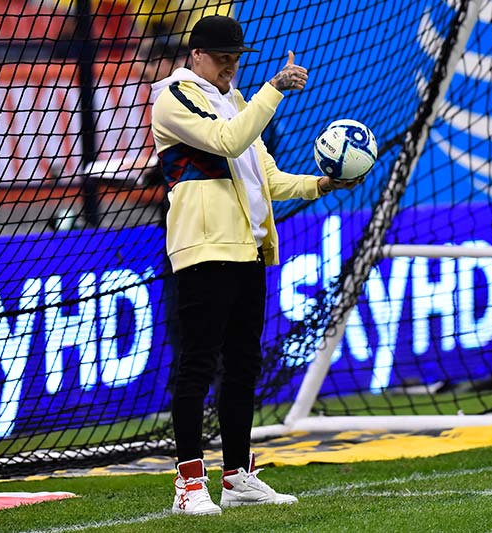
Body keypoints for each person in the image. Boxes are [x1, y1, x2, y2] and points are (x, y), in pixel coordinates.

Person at [150, 15, 355, 516]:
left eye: (236, 58)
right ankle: (188, 484)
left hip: (247, 249)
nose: (231, 67)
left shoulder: (237, 102)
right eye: (223, 58)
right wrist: (274, 89)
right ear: (196, 55)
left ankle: (238, 475)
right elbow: (227, 142)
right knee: (197, 365)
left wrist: (320, 185)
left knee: (242, 366)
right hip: (203, 248)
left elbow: (268, 178)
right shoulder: (174, 96)